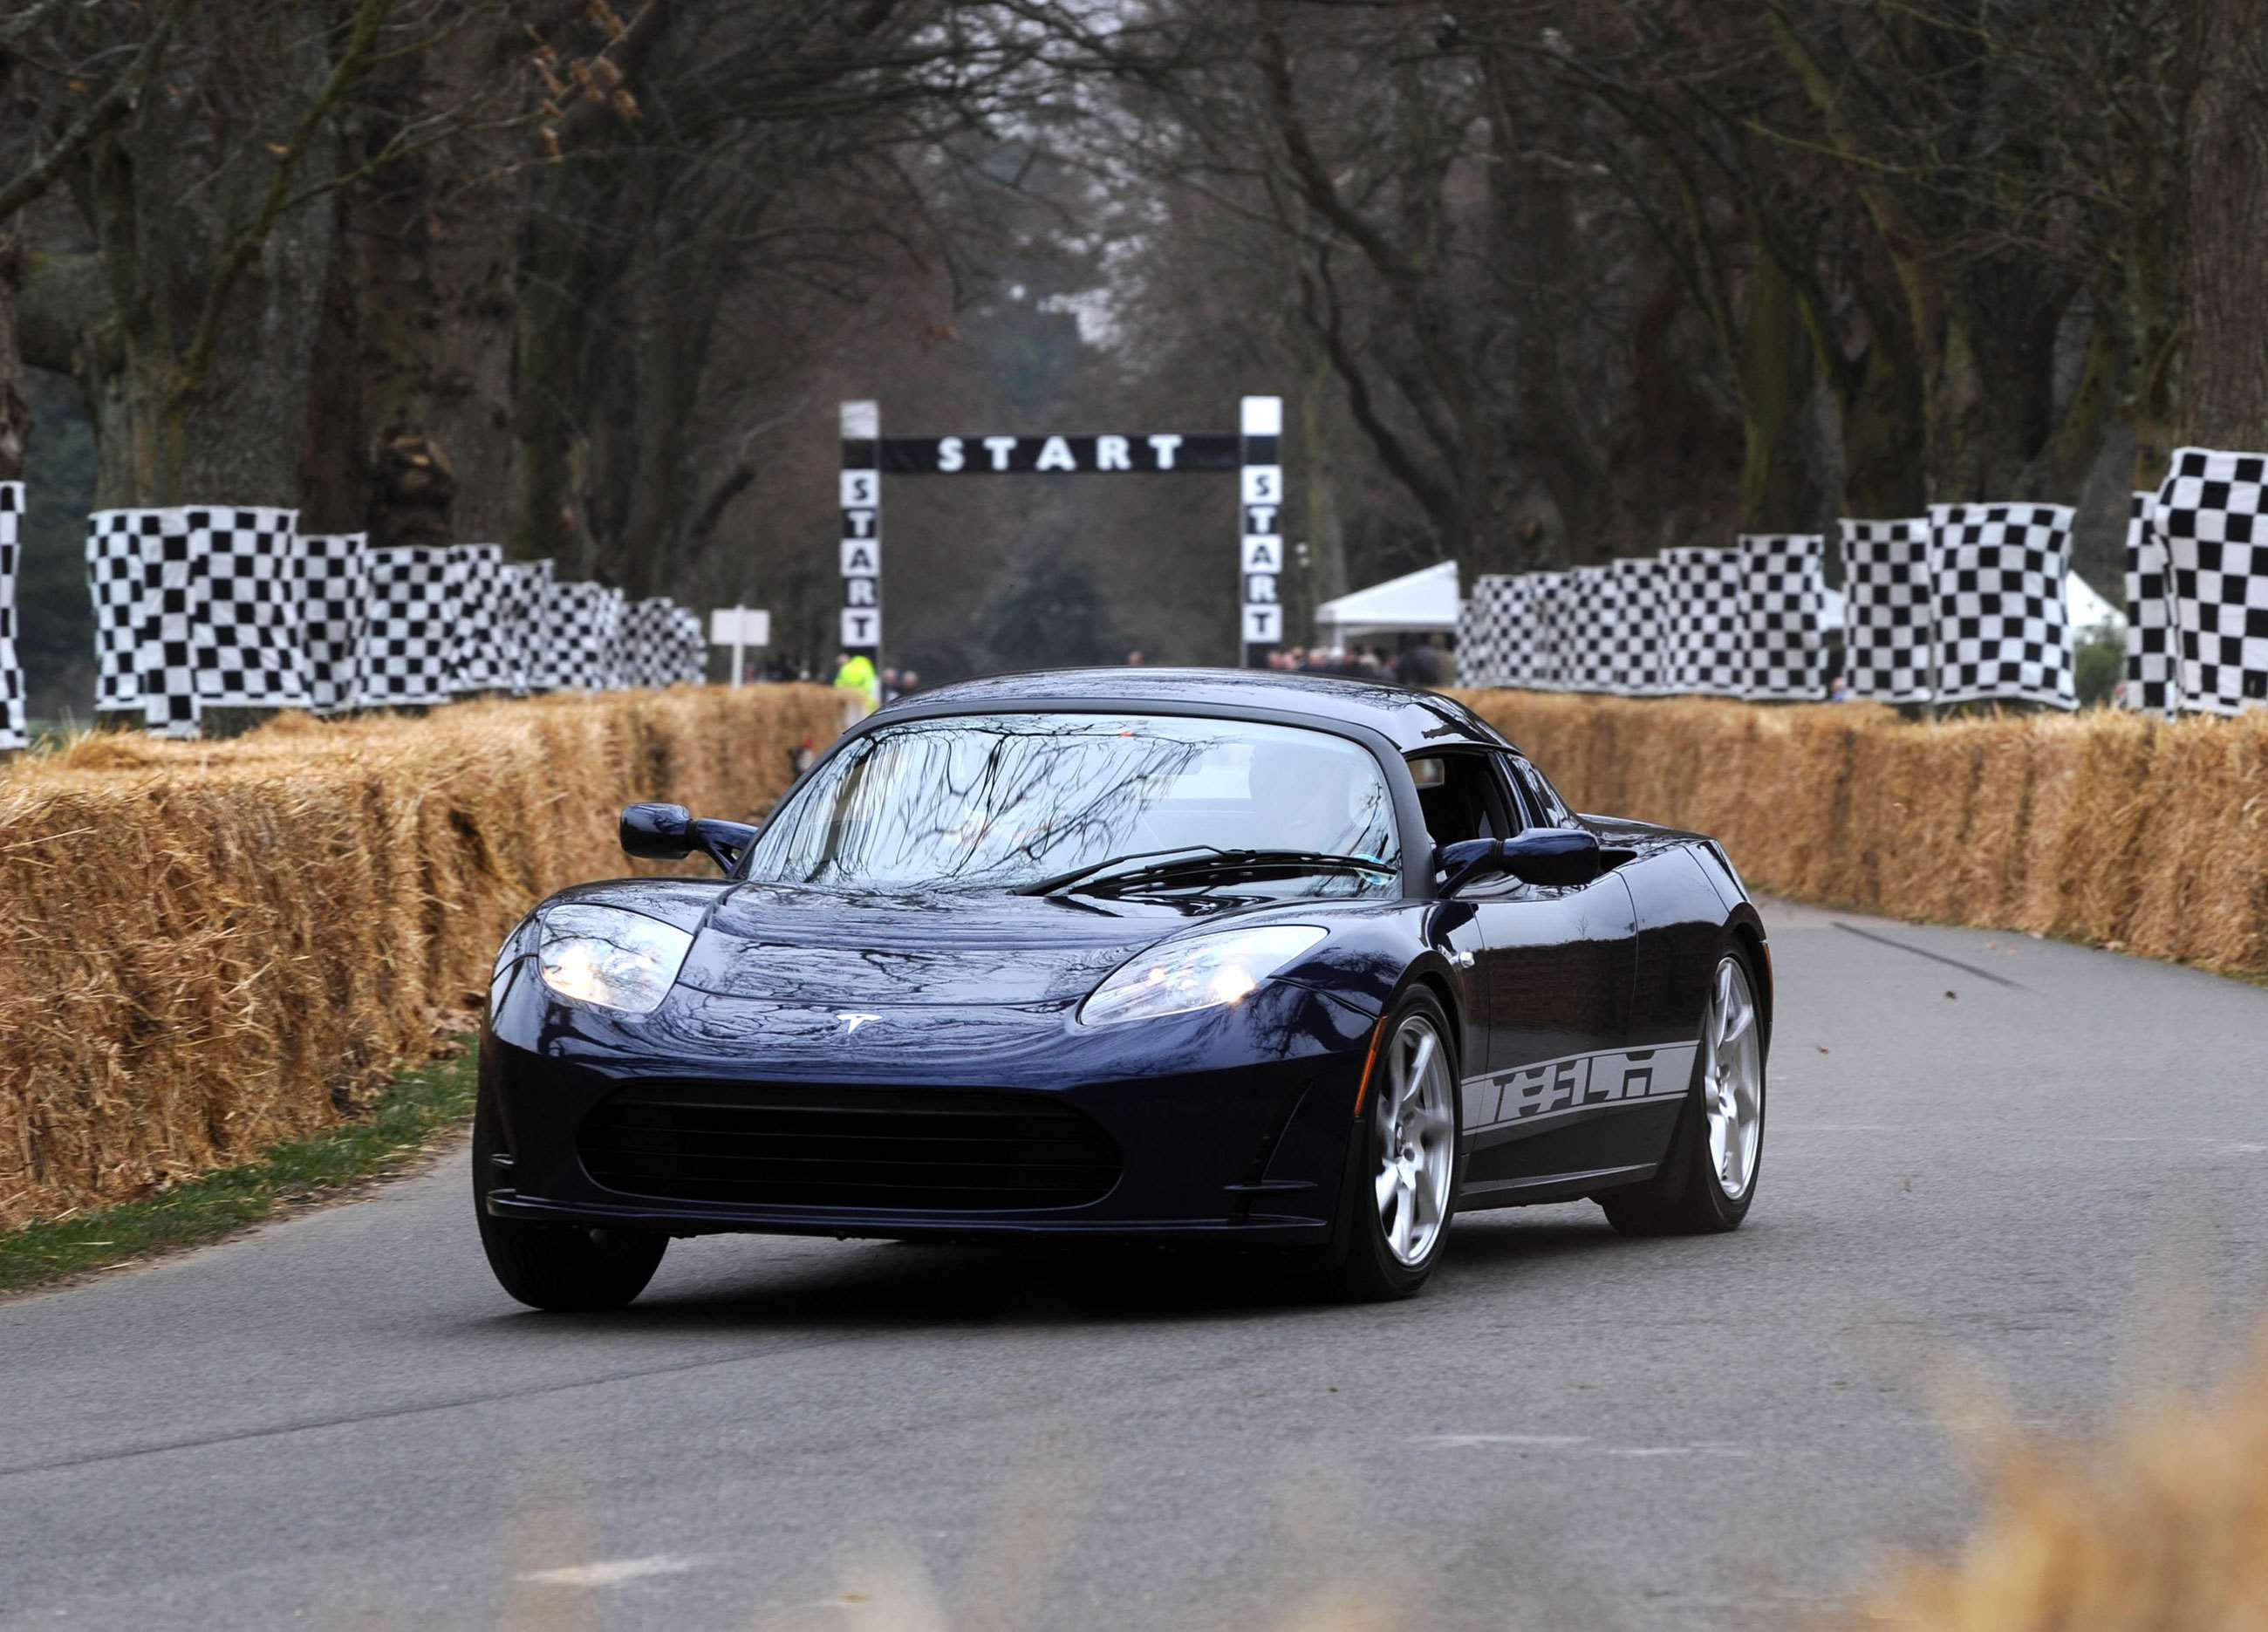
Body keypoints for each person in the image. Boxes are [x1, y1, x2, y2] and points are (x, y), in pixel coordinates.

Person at [832, 651, 880, 715]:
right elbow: (869, 684)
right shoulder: (865, 665)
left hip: (852, 701)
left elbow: (839, 685)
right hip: (865, 700)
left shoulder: (845, 669)